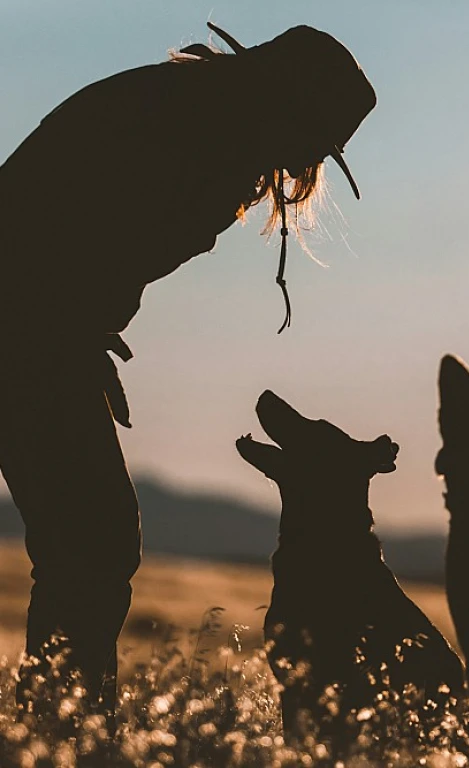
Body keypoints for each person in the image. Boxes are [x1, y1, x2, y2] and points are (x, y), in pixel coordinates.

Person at [0, 22, 376, 724]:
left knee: (94, 538)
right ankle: (61, 733)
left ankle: (58, 729)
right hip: (25, 326)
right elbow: (62, 231)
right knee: (93, 540)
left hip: (40, 331)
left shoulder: (195, 123)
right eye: (309, 139)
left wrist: (83, 333)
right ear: (281, 104)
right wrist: (65, 333)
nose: (301, 162)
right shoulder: (184, 133)